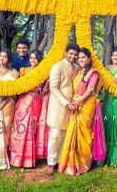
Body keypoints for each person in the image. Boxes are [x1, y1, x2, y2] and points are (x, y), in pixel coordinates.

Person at [58, 48, 101, 175]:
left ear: (89, 59)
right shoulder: (78, 71)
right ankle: (71, 162)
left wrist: (78, 101)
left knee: (84, 133)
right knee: (73, 131)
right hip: (75, 104)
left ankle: (83, 163)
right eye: (80, 57)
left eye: (83, 57)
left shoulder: (93, 73)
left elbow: (90, 90)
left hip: (86, 105)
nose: (81, 59)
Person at [10, 50, 49, 168]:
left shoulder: (43, 73)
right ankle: (18, 159)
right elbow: (20, 86)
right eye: (31, 58)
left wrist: (38, 95)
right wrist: (29, 93)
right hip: (24, 102)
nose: (33, 60)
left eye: (35, 58)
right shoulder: (23, 71)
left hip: (36, 102)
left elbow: (46, 88)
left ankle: (29, 159)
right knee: (21, 129)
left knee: (32, 130)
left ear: (39, 60)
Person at [45, 43, 80, 175]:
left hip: (73, 104)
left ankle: (61, 160)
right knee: (55, 134)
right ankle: (51, 163)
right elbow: (53, 88)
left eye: (75, 54)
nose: (73, 56)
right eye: (70, 53)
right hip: (59, 105)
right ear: (65, 53)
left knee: (66, 133)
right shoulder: (57, 66)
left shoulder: (76, 67)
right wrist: (66, 103)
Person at [0, 49, 19, 170]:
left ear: (9, 59)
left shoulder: (13, 73)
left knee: (6, 131)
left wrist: (0, 105)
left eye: (5, 57)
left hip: (7, 104)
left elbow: (12, 93)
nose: (1, 58)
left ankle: (5, 159)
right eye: (0, 56)